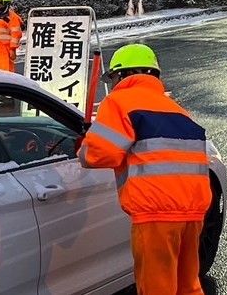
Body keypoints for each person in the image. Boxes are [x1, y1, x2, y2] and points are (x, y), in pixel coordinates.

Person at [76, 43, 211, 295]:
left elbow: (100, 153)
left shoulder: (119, 101)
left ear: (125, 74)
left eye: (114, 77)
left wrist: (83, 147)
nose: (113, 84)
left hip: (155, 212)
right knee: (187, 286)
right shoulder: (178, 110)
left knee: (157, 287)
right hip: (194, 211)